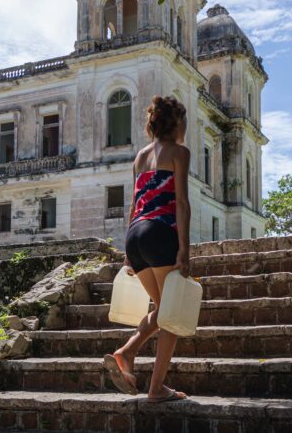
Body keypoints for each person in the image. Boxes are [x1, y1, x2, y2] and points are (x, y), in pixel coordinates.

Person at [103, 95, 191, 403]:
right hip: (159, 232)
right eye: (184, 122)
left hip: (135, 235)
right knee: (172, 315)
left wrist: (128, 249)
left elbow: (134, 204)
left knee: (163, 308)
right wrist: (184, 249)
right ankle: (156, 388)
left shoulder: (139, 157)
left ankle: (127, 352)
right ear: (176, 123)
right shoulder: (179, 152)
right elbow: (181, 202)